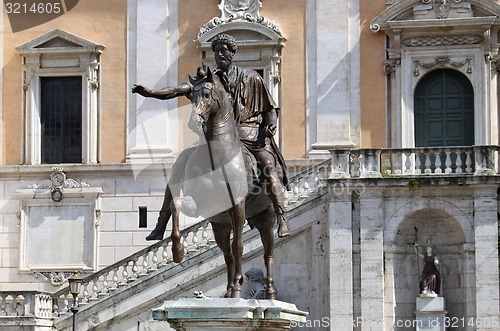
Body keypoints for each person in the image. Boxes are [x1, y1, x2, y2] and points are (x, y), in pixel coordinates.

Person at [132, 33, 290, 239]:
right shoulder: (209, 81)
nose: (219, 54)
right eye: (216, 50)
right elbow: (178, 90)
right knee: (181, 163)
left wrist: (271, 125)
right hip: (218, 137)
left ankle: (281, 216)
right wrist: (152, 93)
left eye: (224, 50)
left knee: (268, 166)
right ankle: (162, 222)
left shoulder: (251, 77)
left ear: (232, 53)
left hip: (249, 133)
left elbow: (270, 108)